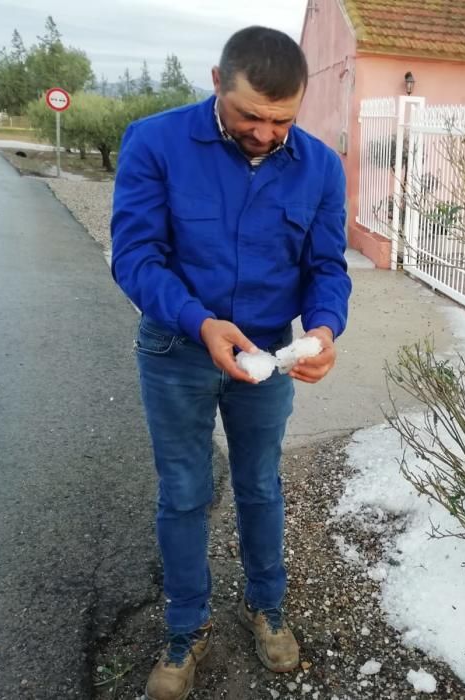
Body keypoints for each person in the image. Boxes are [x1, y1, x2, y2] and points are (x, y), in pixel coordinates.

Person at [110, 26, 351, 700]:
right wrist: (201, 320)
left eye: (283, 120)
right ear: (216, 81)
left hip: (269, 357)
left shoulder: (321, 166)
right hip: (176, 349)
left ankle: (266, 607)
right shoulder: (154, 141)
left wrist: (325, 330)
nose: (267, 134)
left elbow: (326, 267)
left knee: (261, 486)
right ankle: (185, 627)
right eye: (251, 115)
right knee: (184, 494)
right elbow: (134, 256)